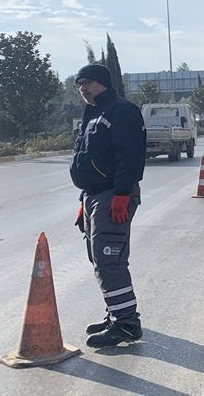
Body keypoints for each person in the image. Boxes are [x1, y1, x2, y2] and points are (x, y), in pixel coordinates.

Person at [70, 63, 146, 348]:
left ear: (102, 82)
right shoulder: (93, 114)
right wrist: (83, 200)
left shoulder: (120, 110)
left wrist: (122, 194)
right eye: (79, 84)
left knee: (108, 258)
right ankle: (116, 313)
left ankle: (127, 324)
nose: (83, 88)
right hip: (94, 195)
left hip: (114, 194)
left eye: (88, 82)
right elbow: (88, 158)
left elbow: (130, 155)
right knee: (98, 258)